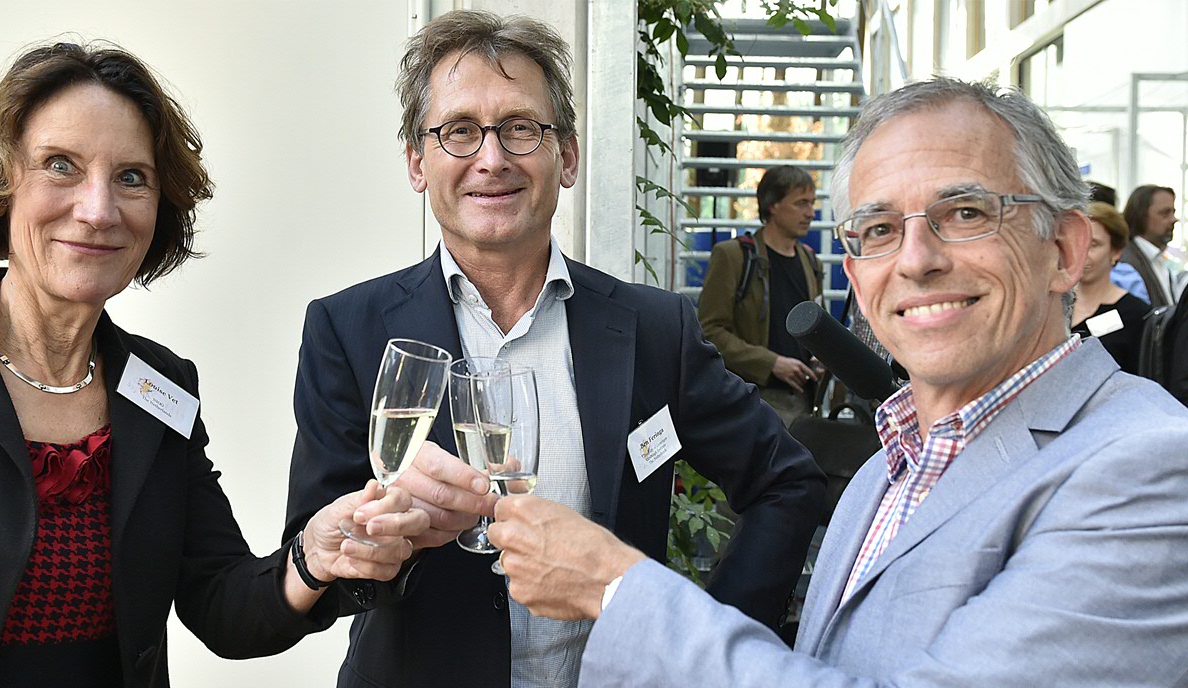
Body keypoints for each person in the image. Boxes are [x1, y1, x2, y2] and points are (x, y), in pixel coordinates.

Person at [488, 77, 1188, 686]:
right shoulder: (889, 466)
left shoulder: (1150, 465)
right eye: (879, 229)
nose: (915, 260)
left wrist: (616, 590)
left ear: (1064, 250)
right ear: (856, 277)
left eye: (966, 213)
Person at [0, 42, 427, 688]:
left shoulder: (159, 384)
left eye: (131, 177)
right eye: (60, 166)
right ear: (1, 185)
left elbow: (222, 604)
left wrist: (313, 557)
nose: (98, 209)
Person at [281, 10, 825, 688]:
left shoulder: (654, 329)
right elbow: (316, 561)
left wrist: (706, 641)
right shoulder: (348, 330)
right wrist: (373, 538)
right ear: (418, 163)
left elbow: (788, 482)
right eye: (458, 132)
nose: (492, 157)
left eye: (520, 128)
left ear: (566, 156)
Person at [697, 164, 825, 424]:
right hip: (752, 400)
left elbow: (815, 327)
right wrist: (771, 363)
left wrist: (822, 357)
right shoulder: (733, 256)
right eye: (800, 203)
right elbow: (709, 331)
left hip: (803, 404)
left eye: (812, 203)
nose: (810, 213)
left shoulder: (811, 262)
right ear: (773, 205)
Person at [1071, 202, 1150, 371]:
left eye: (1093, 245)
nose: (1082, 253)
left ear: (1116, 251)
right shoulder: (1054, 306)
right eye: (1077, 243)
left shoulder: (1137, 315)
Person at [1115, 184, 1180, 307]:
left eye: (1173, 212)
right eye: (1165, 213)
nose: (1173, 219)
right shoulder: (1125, 261)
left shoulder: (1158, 258)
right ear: (1141, 216)